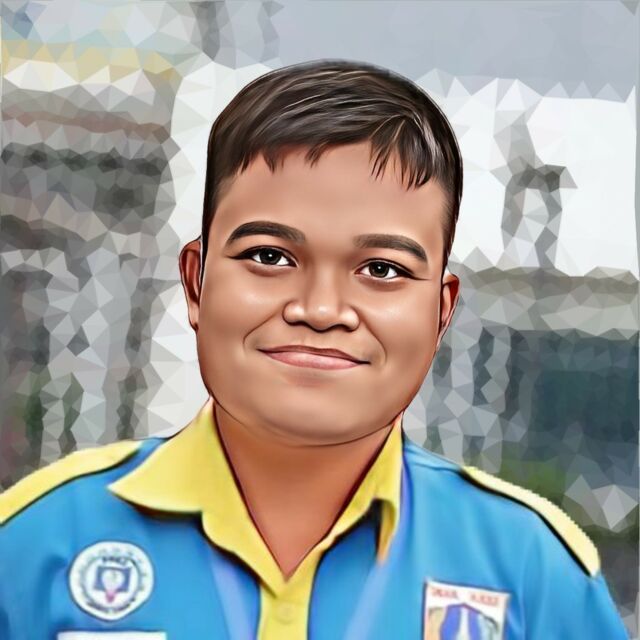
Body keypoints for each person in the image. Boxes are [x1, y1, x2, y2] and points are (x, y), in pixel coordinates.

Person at [0, 60, 628, 640]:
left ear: (441, 312)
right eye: (270, 257)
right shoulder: (37, 543)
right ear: (195, 283)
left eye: (381, 270)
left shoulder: (530, 572)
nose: (321, 310)